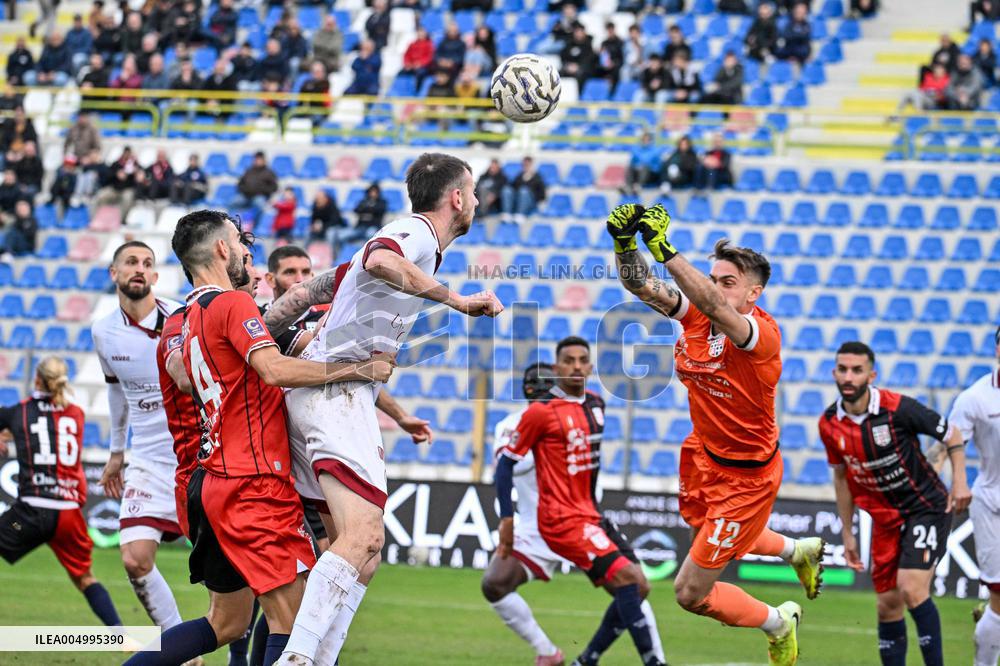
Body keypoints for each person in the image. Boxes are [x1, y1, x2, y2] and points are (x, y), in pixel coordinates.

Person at [122, 211, 394, 666]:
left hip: (212, 481)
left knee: (226, 623)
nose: (249, 261)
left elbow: (200, 373)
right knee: (294, 616)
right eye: (240, 247)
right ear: (223, 250)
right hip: (252, 482)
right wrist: (358, 369)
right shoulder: (231, 305)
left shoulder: (187, 318)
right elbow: (273, 368)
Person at [266, 153, 503, 665]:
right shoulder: (415, 232)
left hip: (325, 392)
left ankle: (313, 657)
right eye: (475, 192)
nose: (478, 202)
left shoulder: (415, 245)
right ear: (456, 198)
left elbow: (315, 288)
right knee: (365, 536)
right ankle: (297, 659)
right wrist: (458, 301)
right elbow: (378, 257)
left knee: (362, 555)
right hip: (335, 393)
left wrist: (260, 327)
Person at [610, 204, 828, 665]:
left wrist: (666, 249)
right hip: (703, 451)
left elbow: (708, 300)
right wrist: (625, 243)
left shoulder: (760, 336)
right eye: (713, 278)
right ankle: (795, 549)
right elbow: (638, 284)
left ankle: (777, 621)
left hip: (747, 478)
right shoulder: (697, 320)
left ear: (755, 293)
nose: (714, 288)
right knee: (706, 531)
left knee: (689, 592)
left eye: (726, 281)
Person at [495, 339, 664, 666]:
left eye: (582, 360)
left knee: (638, 587)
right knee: (629, 580)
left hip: (590, 515)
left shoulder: (597, 404)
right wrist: (506, 519)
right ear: (558, 369)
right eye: (568, 361)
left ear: (590, 366)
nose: (575, 366)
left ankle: (587, 659)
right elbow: (505, 466)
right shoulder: (540, 414)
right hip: (561, 519)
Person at [818, 341, 970, 666]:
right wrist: (848, 532)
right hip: (883, 519)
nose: (848, 377)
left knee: (911, 589)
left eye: (857, 370)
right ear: (833, 373)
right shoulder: (829, 424)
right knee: (887, 604)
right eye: (843, 369)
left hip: (925, 507)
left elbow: (952, 435)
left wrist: (959, 481)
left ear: (871, 375)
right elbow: (841, 479)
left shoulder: (898, 408)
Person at [91, 242, 187, 638]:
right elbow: (116, 392)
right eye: (131, 262)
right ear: (114, 273)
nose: (140, 270)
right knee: (135, 559)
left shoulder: (182, 316)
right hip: (147, 458)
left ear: (155, 277)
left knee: (229, 564)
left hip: (194, 455)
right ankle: (182, 647)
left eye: (148, 264)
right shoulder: (103, 331)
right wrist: (117, 452)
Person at [0, 359, 122, 626]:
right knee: (85, 578)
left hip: (32, 509)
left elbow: (22, 422)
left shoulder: (17, 412)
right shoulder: (77, 413)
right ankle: (120, 635)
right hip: (68, 513)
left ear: (36, 381)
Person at [949, 327, 1000, 666]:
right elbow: (952, 440)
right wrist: (957, 483)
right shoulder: (975, 397)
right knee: (999, 595)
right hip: (993, 504)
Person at [232, 151, 278, 220]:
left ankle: (255, 224)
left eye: (259, 159)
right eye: (256, 159)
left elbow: (274, 187)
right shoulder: (248, 171)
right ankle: (232, 223)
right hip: (246, 196)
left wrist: (261, 190)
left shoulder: (269, 172)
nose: (257, 161)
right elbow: (240, 184)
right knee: (233, 203)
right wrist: (245, 190)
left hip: (259, 196)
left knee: (260, 205)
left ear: (264, 160)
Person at [559, 22, 595, 89]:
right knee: (559, 73)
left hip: (583, 69)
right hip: (569, 68)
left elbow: (589, 60)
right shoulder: (569, 44)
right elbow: (563, 56)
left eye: (580, 32)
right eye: (577, 32)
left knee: (581, 74)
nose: (578, 34)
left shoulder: (588, 45)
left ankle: (578, 94)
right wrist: (568, 65)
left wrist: (578, 66)